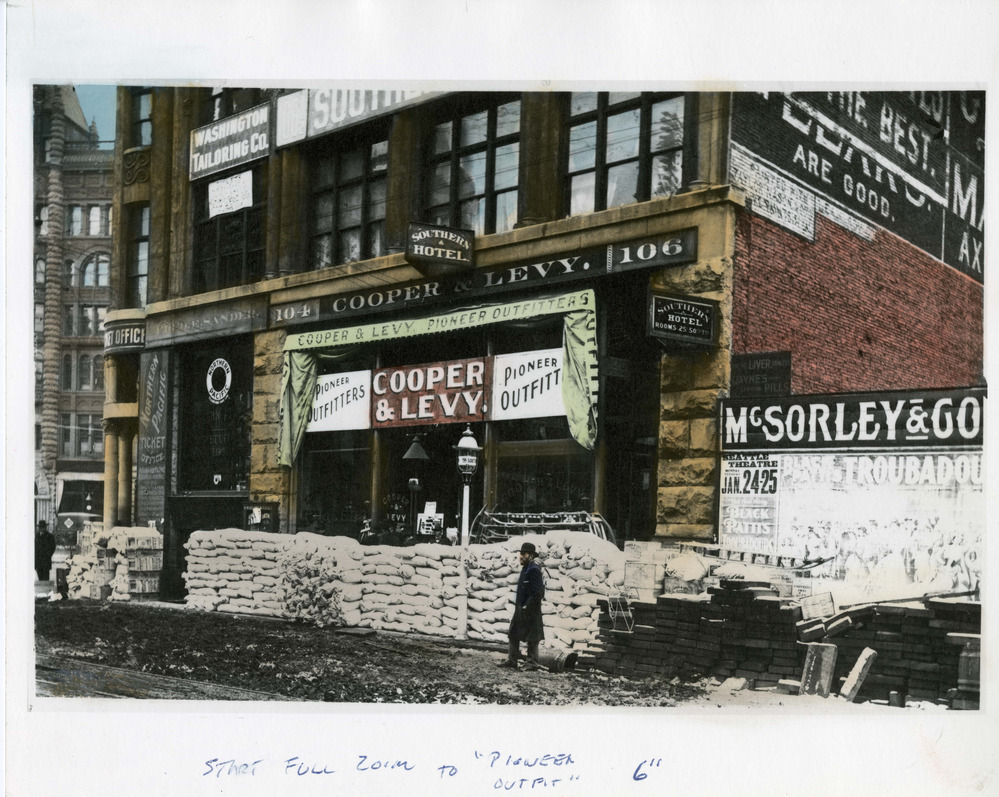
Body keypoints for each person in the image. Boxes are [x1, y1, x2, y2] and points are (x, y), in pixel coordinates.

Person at [498, 540, 545, 670]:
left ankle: (532, 663)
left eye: (524, 554)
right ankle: (512, 660)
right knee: (513, 633)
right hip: (521, 608)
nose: (521, 556)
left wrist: (527, 606)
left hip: (531, 609)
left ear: (531, 556)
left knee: (532, 637)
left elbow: (538, 592)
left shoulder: (534, 570)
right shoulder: (525, 568)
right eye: (521, 553)